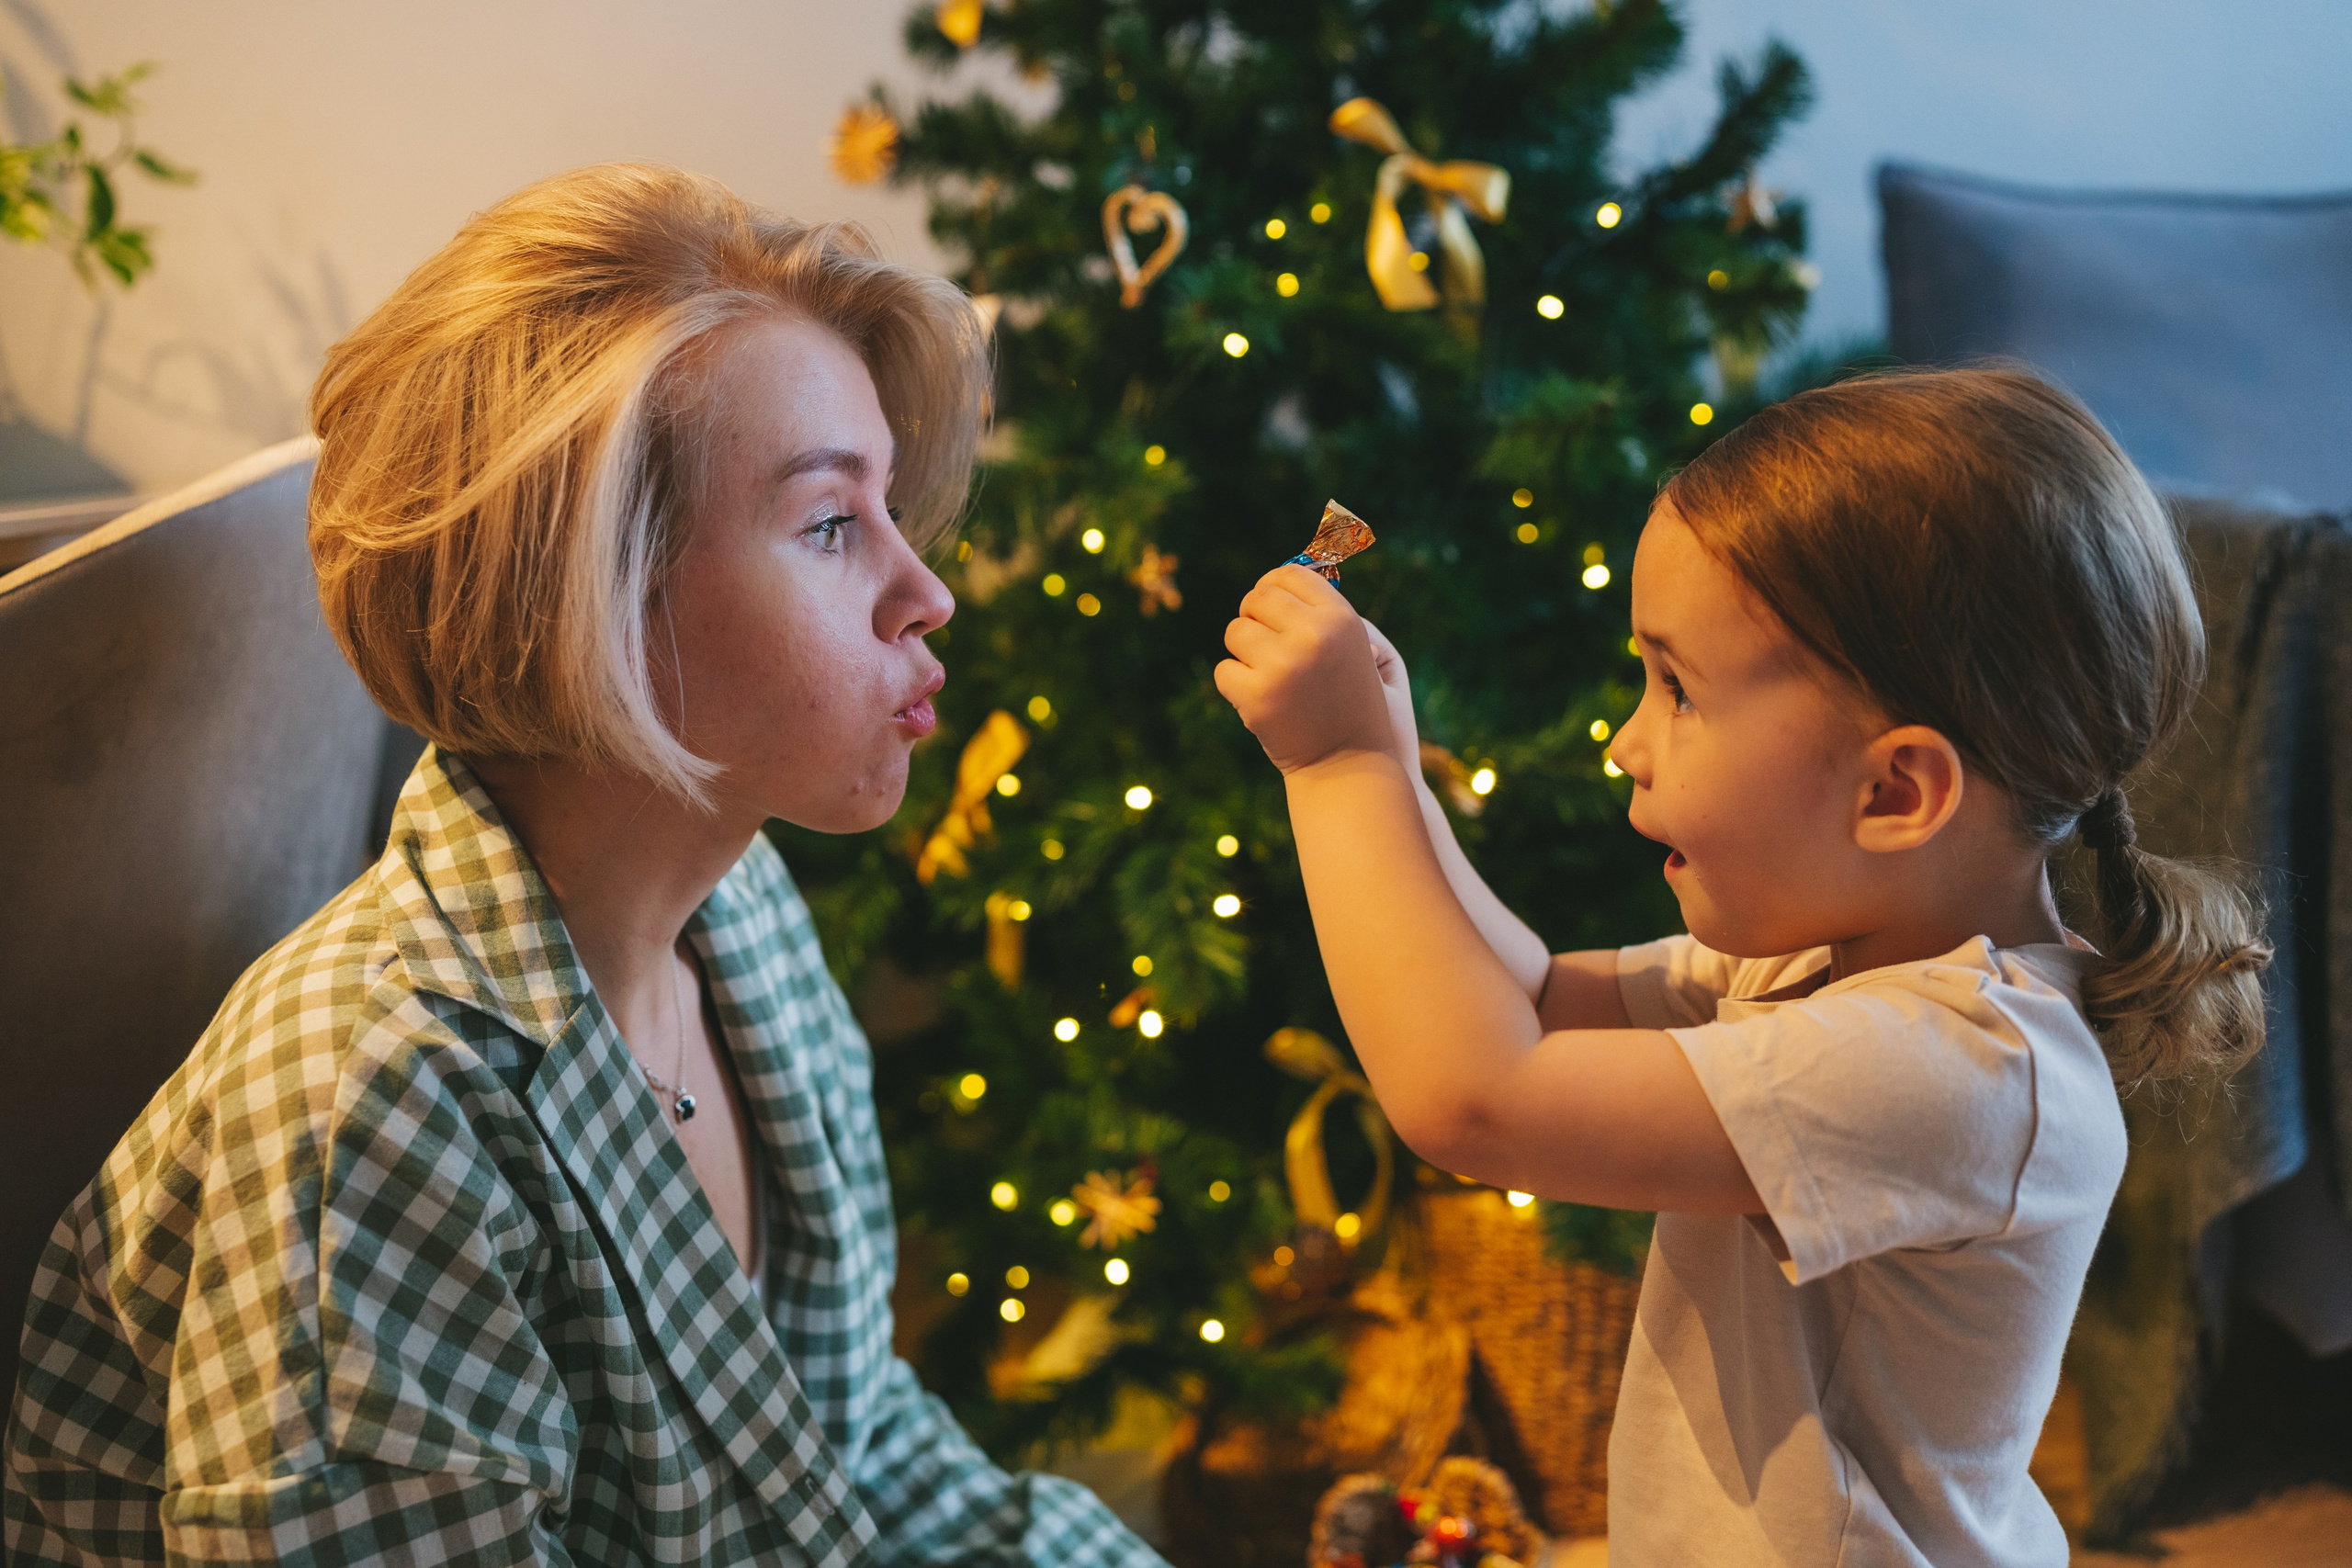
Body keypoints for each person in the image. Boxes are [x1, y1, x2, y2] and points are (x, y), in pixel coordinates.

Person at [5, 164, 1165, 1568]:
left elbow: (856, 1453)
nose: (927, 594)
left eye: (893, 512)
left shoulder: (742, 918)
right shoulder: (372, 1115)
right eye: (829, 525)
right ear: (592, 604)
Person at [1214, 367, 2270, 1566]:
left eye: (1677, 687)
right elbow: (1536, 1001)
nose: (1626, 739)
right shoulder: (1831, 963)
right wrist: (1394, 758)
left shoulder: (1961, 1067)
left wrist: (1336, 768)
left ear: (1895, 791)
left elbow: (1476, 1102)